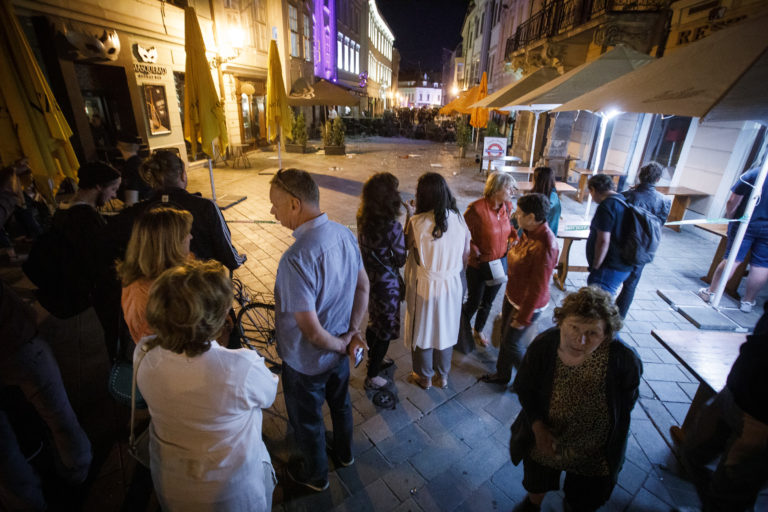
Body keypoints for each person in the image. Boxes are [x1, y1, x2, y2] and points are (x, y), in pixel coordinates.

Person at [137, 259, 279, 511]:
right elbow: (268, 394)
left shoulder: (144, 353)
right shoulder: (240, 368)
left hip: (172, 485)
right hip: (233, 493)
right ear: (216, 319)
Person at [269, 168, 369, 492]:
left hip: (306, 362)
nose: (273, 212)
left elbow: (310, 331)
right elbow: (363, 287)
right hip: (339, 354)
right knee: (341, 406)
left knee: (308, 421)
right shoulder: (344, 234)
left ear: (295, 204)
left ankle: (315, 477)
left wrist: (342, 345)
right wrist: (352, 334)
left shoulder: (295, 258)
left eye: (276, 205)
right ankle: (345, 455)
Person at [509, 286, 642, 512]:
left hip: (594, 449)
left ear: (607, 333)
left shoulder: (623, 359)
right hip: (548, 437)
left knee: (584, 499)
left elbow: (626, 402)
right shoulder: (544, 345)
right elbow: (525, 387)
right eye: (573, 327)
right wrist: (538, 427)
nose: (580, 340)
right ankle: (532, 505)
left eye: (592, 333)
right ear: (562, 322)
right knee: (537, 480)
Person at [0, 281, 92, 510]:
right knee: (57, 410)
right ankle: (78, 467)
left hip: (18, 341)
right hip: (17, 340)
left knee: (5, 456)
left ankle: (27, 502)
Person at [679, 304, 768, 511]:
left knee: (731, 490)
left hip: (761, 420)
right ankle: (712, 503)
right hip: (734, 391)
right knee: (692, 452)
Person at [110, 150, 244, 272]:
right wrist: (239, 259)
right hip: (202, 285)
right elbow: (227, 255)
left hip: (159, 288)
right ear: (182, 175)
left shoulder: (138, 211)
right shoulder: (205, 207)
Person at [481, 194, 559, 386]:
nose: (516, 215)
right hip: (513, 294)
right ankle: (502, 374)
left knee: (512, 343)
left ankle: (531, 381)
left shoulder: (545, 245)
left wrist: (523, 318)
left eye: (520, 213)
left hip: (526, 303)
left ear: (532, 217)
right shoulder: (528, 231)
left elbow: (538, 288)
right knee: (505, 338)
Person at [404, 172, 470, 390]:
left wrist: (409, 216)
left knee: (422, 330)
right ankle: (442, 376)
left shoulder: (416, 222)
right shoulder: (459, 218)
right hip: (451, 283)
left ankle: (424, 377)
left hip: (425, 285)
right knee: (446, 328)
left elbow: (406, 246)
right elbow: (465, 255)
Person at [357, 172, 408, 389]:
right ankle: (372, 375)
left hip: (370, 278)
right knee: (385, 328)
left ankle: (373, 359)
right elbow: (400, 258)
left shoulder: (363, 217)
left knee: (374, 321)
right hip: (387, 284)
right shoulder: (392, 226)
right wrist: (409, 222)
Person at [116, 206, 193, 344]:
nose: (190, 237)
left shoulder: (160, 275)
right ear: (171, 244)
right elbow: (179, 346)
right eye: (186, 233)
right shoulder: (149, 296)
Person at [698, 166, 768, 312]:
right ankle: (748, 302)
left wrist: (732, 218)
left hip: (746, 223)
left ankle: (711, 293)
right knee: (761, 265)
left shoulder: (755, 174)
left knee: (733, 259)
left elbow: (732, 201)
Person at [462, 171, 515, 347]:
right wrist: (472, 248)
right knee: (474, 301)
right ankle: (460, 329)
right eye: (508, 187)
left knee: (488, 302)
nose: (511, 191)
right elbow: (461, 233)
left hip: (499, 263)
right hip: (478, 265)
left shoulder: (506, 207)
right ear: (496, 189)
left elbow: (510, 230)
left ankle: (478, 330)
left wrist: (514, 238)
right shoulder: (476, 209)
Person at [616, 162, 670, 318]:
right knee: (630, 286)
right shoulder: (664, 201)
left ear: (640, 176)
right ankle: (619, 319)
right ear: (658, 179)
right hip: (644, 248)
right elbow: (660, 225)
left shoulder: (625, 196)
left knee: (611, 283)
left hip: (622, 244)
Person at [586, 174, 632, 295]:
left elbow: (603, 241)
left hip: (609, 266)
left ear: (594, 189)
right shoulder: (622, 200)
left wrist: (596, 266)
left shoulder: (607, 206)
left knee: (597, 304)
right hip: (622, 264)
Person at [115, 133, 151, 205]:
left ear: (120, 147)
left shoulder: (129, 168)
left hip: (140, 209)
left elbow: (131, 201)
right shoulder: (142, 163)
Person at [529, 166, 560, 235]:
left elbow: (538, 213)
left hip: (546, 234)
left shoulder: (552, 196)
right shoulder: (541, 193)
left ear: (539, 180)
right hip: (539, 231)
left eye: (534, 177)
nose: (532, 180)